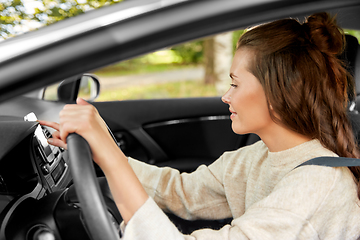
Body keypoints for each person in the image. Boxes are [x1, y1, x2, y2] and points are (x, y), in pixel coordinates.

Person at [40, 12, 360, 239]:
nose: (225, 96)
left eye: (234, 84)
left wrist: (109, 153)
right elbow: (182, 193)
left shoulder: (313, 190)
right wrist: (100, 154)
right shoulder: (259, 156)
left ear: (278, 93)